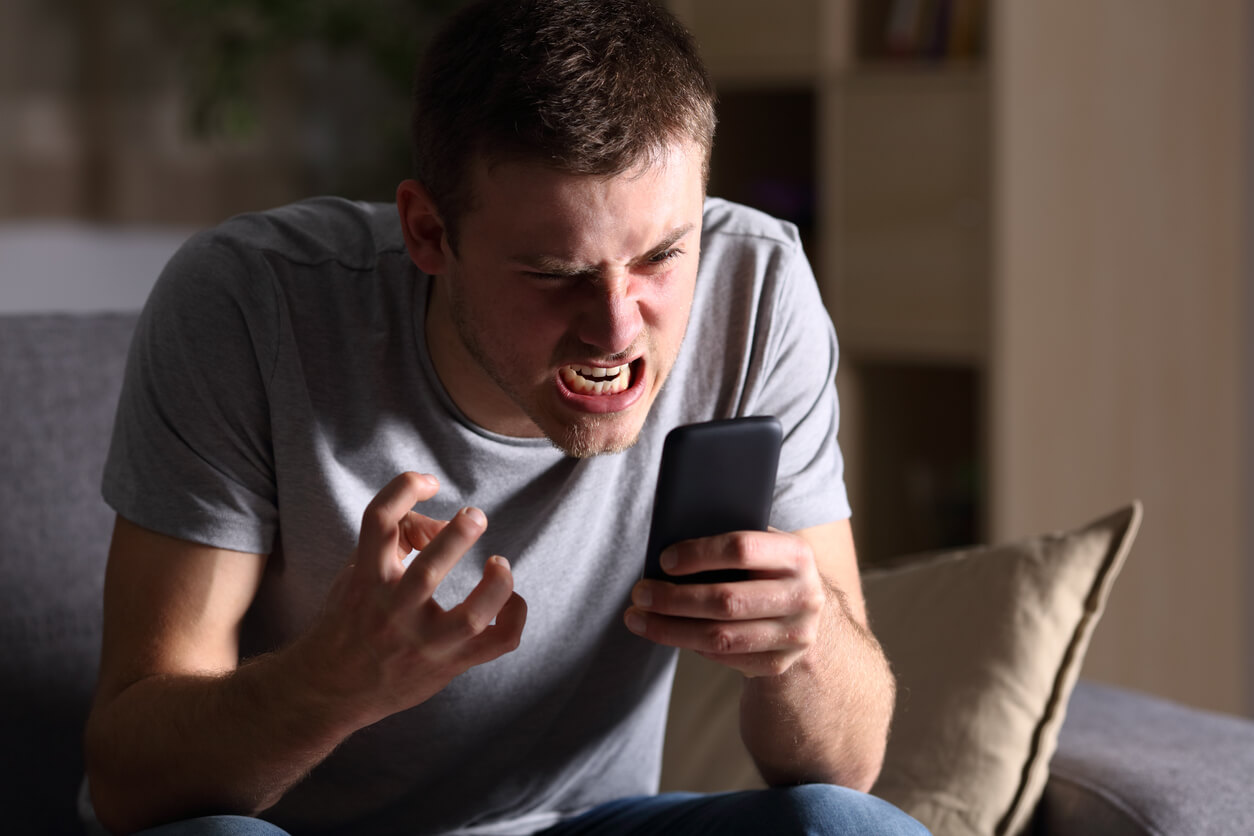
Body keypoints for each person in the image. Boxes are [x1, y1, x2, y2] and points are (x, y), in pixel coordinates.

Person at [83, 1, 926, 834]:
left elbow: (844, 769)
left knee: (847, 825)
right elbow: (130, 785)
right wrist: (331, 683)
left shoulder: (757, 288)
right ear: (427, 231)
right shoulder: (247, 304)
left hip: (576, 824)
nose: (618, 328)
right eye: (556, 273)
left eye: (661, 257)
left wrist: (804, 646)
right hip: (291, 827)